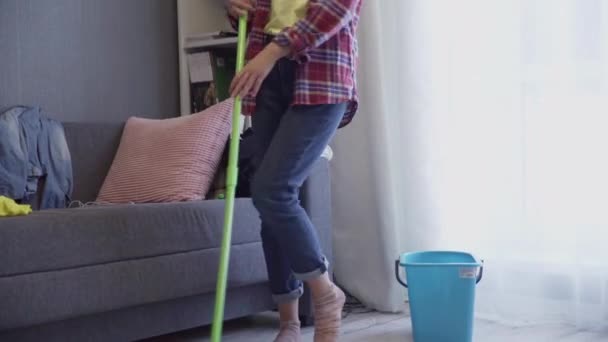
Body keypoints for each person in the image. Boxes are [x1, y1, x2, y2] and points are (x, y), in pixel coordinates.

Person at [226, 0, 362, 341]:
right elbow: (262, 11)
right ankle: (289, 323)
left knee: (272, 190)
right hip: (269, 77)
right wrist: (236, 8)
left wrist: (273, 52)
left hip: (322, 71)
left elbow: (335, 10)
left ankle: (326, 292)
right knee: (270, 203)